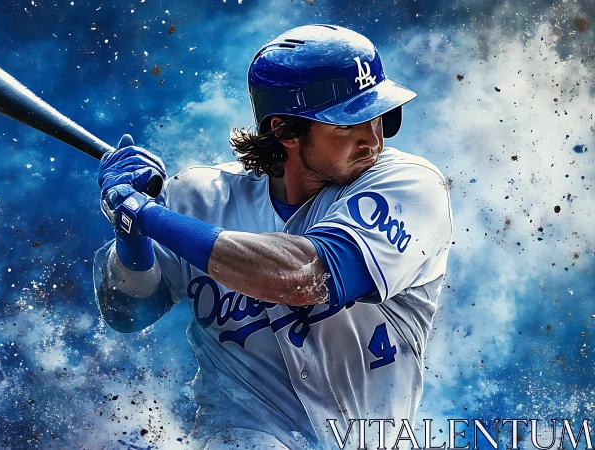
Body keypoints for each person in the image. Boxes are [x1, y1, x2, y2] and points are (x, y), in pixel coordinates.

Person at [92, 24, 452, 450]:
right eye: (347, 122)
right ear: (284, 130)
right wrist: (131, 236)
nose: (372, 138)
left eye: (377, 114)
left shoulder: (409, 185)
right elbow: (127, 315)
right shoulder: (197, 198)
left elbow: (304, 277)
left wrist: (150, 215)